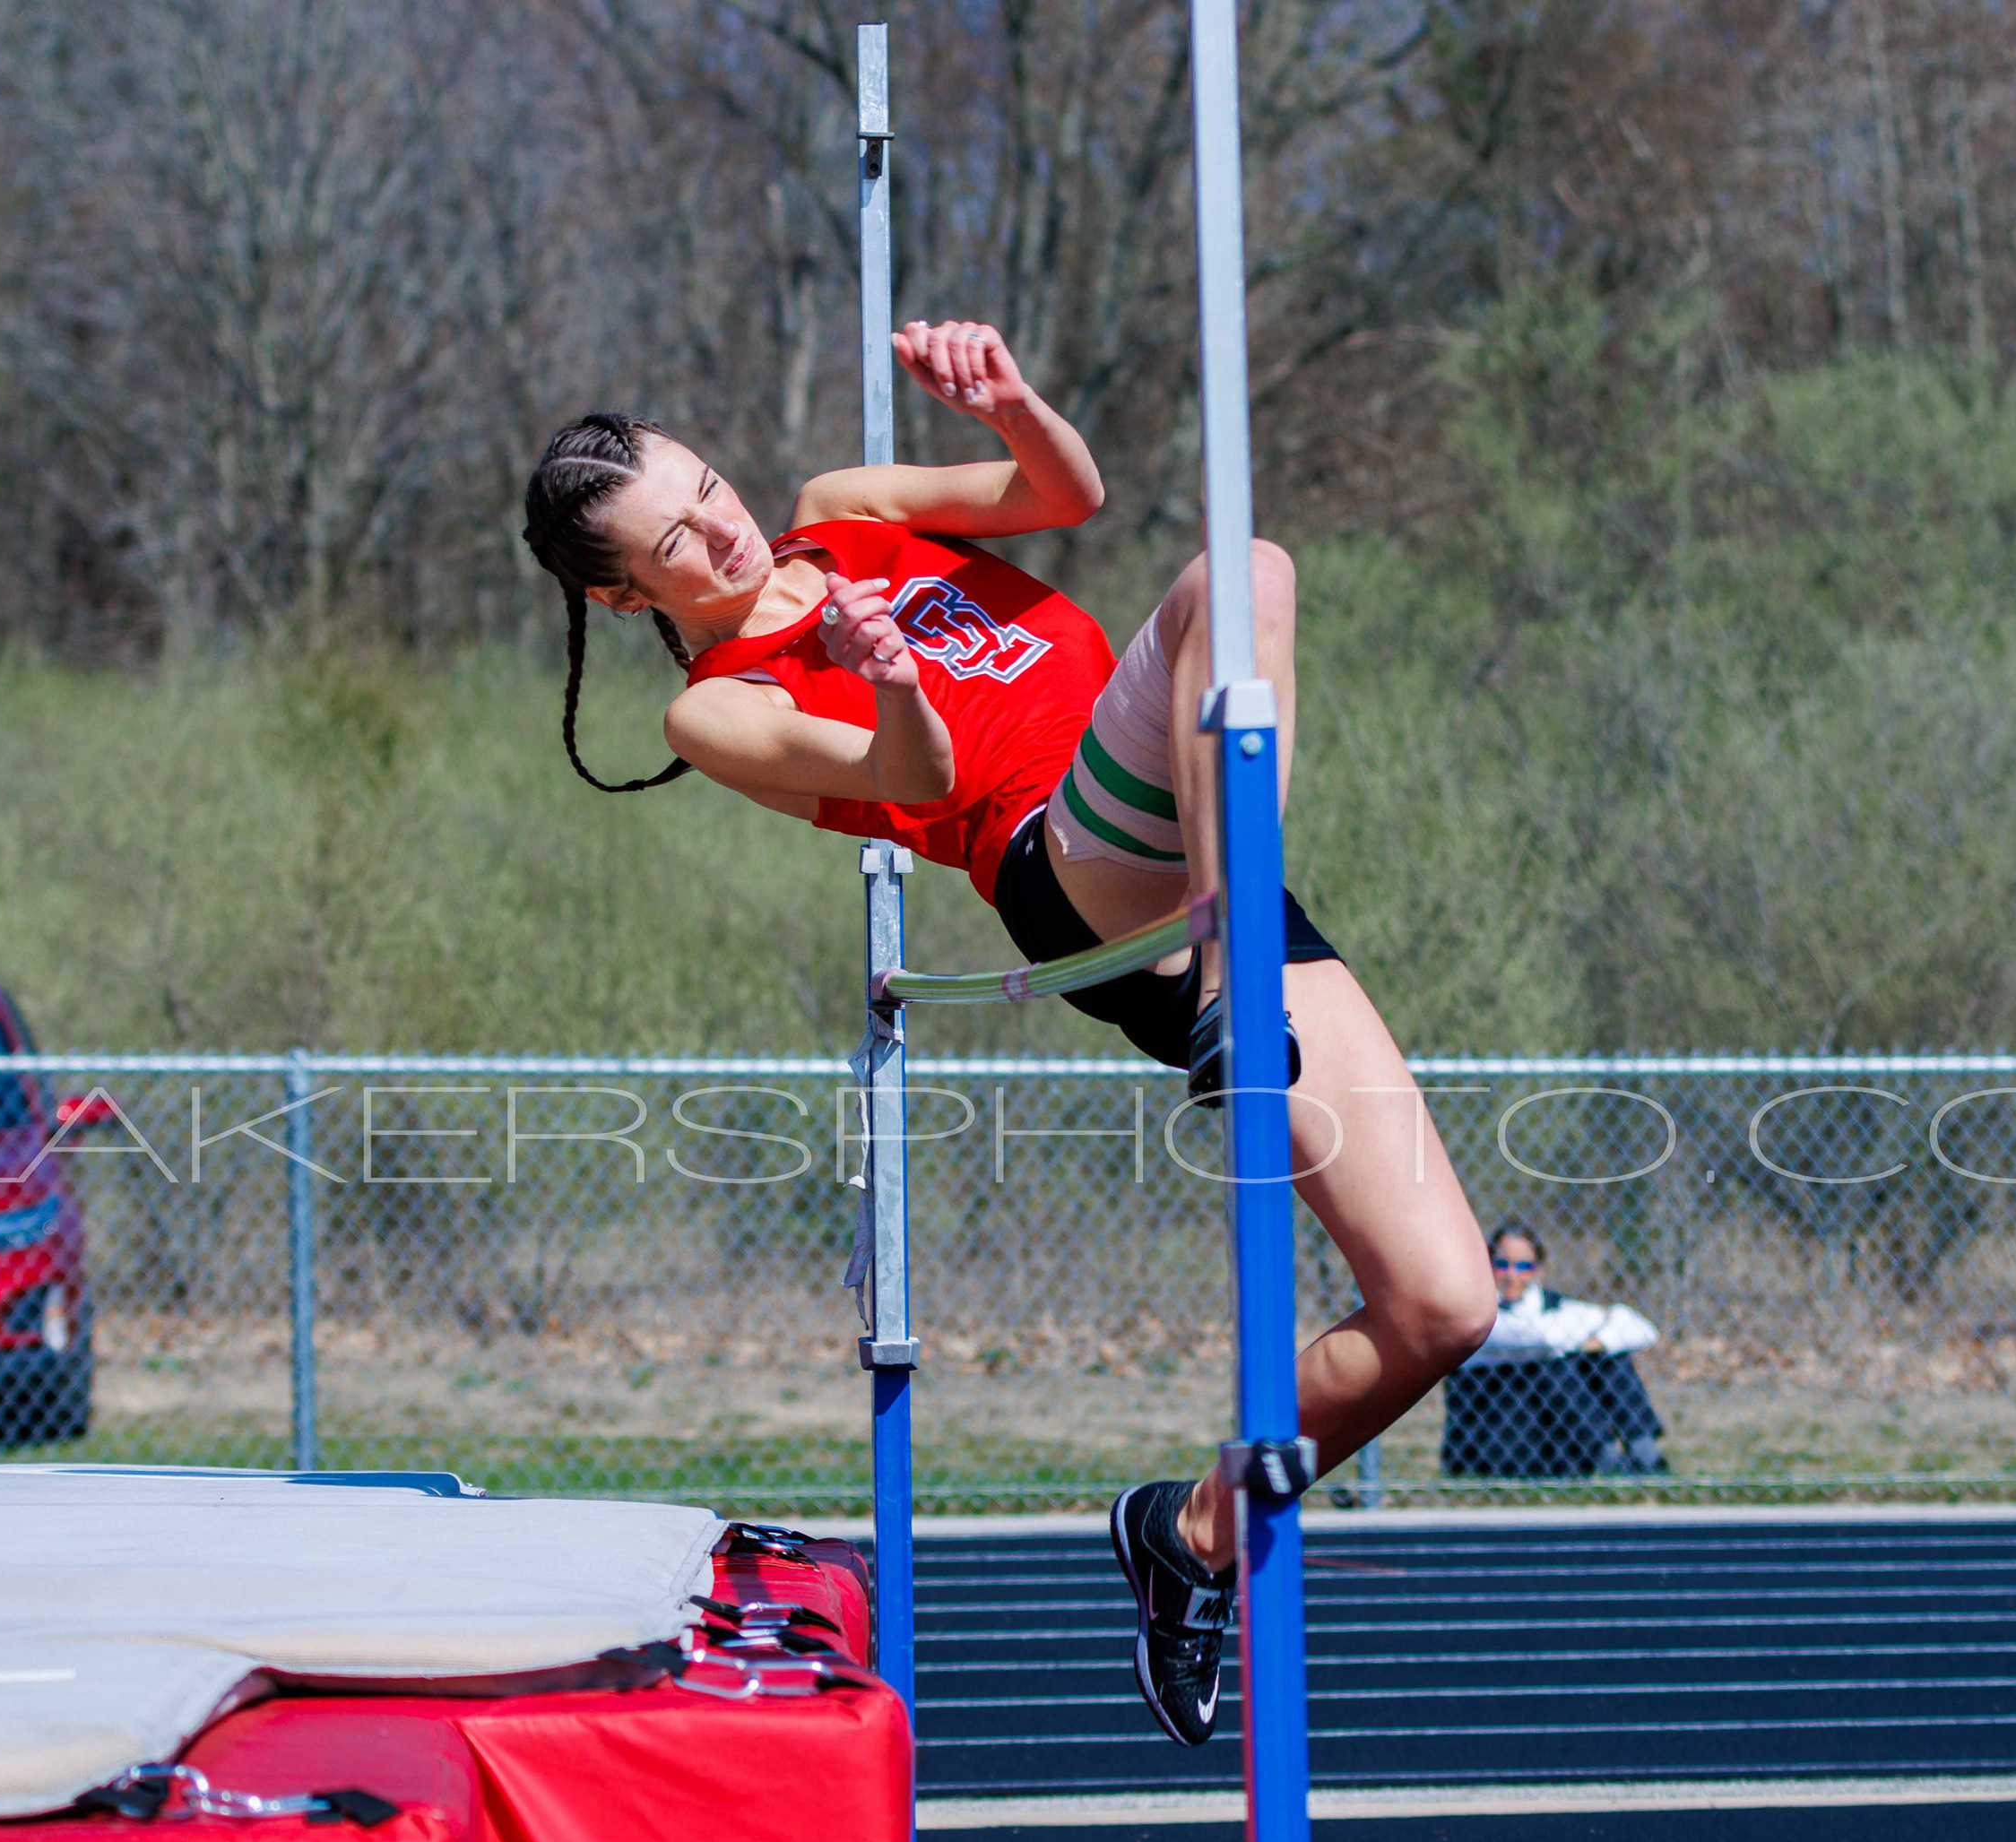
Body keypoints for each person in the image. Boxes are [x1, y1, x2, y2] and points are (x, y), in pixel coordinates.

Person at [519, 321, 1494, 1747]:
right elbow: (918, 779)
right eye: (676, 540)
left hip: (1196, 852)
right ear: (621, 595)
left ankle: (1190, 1536)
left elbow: (1064, 494)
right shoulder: (719, 707)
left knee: (1443, 1309)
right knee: (1244, 574)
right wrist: (890, 672)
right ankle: (1229, 978)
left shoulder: (846, 509)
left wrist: (1013, 403)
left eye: (710, 488)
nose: (723, 528)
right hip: (1066, 859)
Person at [1441, 1221, 1668, 1478]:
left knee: (1608, 1356)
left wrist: (1598, 1342)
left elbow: (1641, 1328)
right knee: (1556, 1365)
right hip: (1496, 1438)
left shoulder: (1551, 1306)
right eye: (1502, 1265)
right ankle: (1606, 1457)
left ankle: (1644, 1453)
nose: (1512, 1276)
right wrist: (1584, 1333)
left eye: (1524, 1267)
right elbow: (1539, 1338)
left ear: (1538, 1270)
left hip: (1552, 1433)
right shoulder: (1474, 1312)